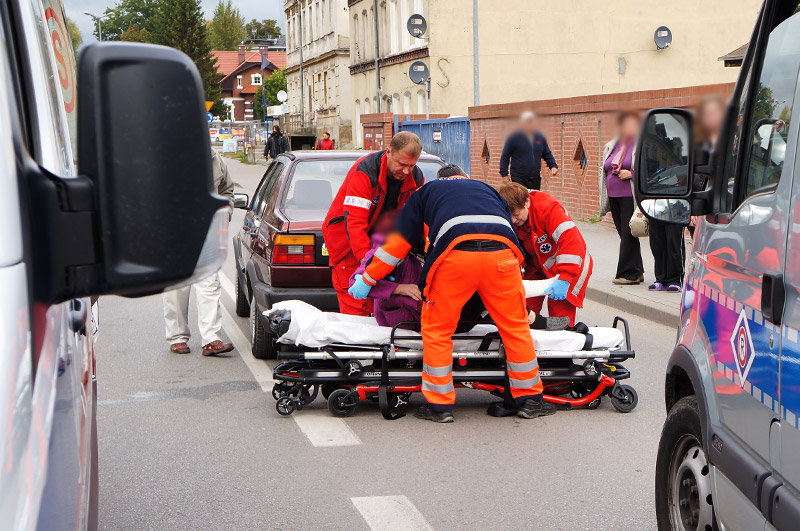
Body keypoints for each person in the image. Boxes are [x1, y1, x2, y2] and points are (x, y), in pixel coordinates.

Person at [349, 171, 555, 423]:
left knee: (437, 330)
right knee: (515, 328)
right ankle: (530, 400)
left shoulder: (424, 193)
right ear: (464, 177)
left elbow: (396, 245)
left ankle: (440, 406)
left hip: (455, 259)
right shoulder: (487, 189)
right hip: (502, 257)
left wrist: (368, 279)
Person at [323, 131, 424, 315]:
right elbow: (354, 223)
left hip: (382, 246)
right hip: (348, 246)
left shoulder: (415, 178)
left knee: (382, 309)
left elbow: (416, 223)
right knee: (357, 309)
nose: (406, 171)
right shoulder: (365, 172)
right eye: (402, 164)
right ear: (388, 152)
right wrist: (368, 267)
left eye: (412, 165)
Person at [163, 149, 235, 356]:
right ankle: (177, 337)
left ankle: (211, 339)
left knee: (209, 284)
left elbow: (227, 191)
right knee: (177, 287)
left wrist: (226, 214)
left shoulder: (214, 158)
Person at [495, 182, 592, 326]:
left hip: (569, 266)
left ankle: (563, 345)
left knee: (559, 314)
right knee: (522, 310)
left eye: (516, 215)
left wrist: (565, 278)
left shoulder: (548, 208)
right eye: (511, 218)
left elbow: (571, 242)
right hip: (537, 264)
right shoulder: (511, 217)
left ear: (527, 202)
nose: (514, 221)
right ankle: (528, 345)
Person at [599, 111, 644, 285]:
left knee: (628, 233)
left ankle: (627, 274)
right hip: (613, 195)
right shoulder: (613, 144)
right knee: (624, 234)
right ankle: (637, 270)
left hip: (628, 196)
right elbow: (605, 167)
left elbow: (650, 170)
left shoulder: (640, 145)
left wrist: (632, 174)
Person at [499, 111, 558, 190]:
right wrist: (504, 175)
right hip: (518, 178)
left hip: (535, 178)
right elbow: (505, 157)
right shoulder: (513, 138)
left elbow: (547, 153)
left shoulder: (540, 137)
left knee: (533, 200)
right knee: (521, 200)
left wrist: (553, 166)